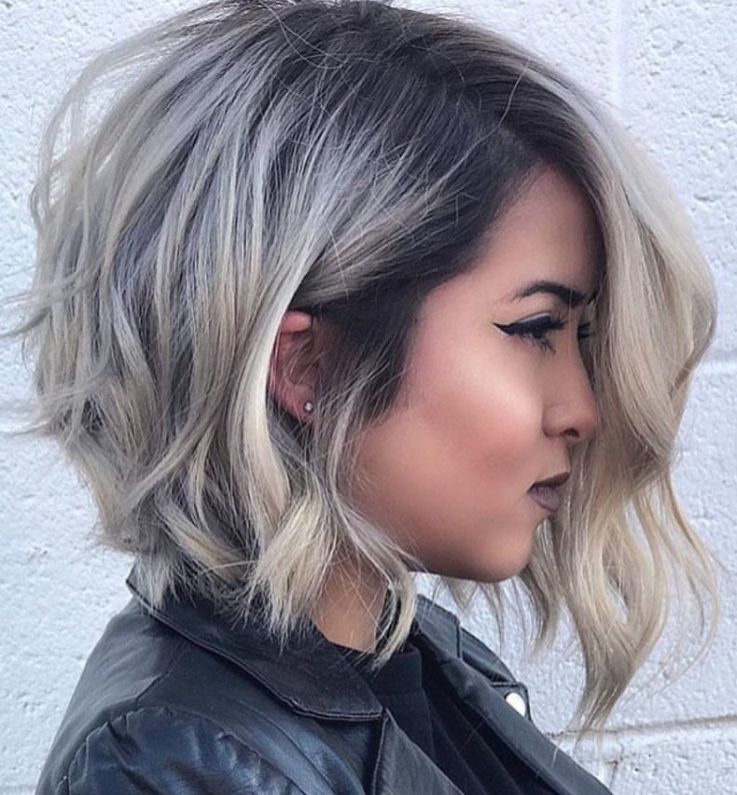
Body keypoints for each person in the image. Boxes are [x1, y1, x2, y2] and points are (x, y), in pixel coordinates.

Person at [2, 0, 720, 792]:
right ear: (308, 365)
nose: (581, 409)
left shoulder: (406, 659)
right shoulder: (174, 764)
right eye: (534, 328)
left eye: (580, 334)